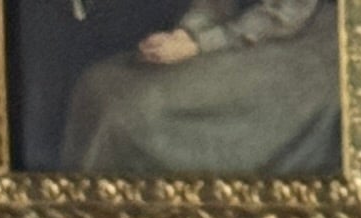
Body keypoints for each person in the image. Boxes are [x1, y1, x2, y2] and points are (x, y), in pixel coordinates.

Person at [52, 0, 345, 181]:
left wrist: (200, 44)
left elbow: (284, 14)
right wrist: (185, 34)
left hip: (303, 45)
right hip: (237, 36)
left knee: (132, 112)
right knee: (97, 85)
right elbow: (212, 5)